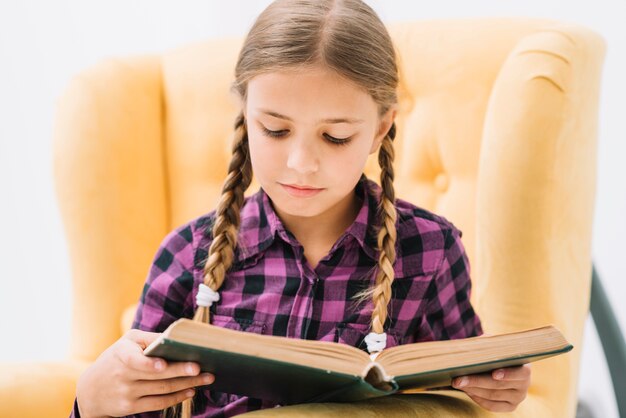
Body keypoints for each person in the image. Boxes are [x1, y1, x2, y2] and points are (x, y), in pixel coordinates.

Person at [71, 0, 531, 417]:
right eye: (274, 130)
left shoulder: (430, 250)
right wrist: (91, 400)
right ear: (245, 115)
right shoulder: (187, 254)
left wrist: (495, 391)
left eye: (336, 137)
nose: (301, 164)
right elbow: (136, 405)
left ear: (380, 128)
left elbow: (466, 392)